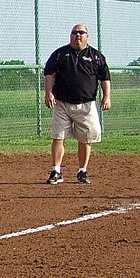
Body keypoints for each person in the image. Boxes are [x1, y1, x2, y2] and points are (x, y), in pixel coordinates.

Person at [42, 24, 112, 184]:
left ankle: (82, 171)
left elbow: (105, 78)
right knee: (58, 137)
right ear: (70, 35)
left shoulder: (96, 56)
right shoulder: (60, 54)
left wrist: (107, 96)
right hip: (62, 104)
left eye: (81, 33)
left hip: (86, 105)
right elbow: (49, 74)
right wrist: (49, 92)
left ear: (87, 36)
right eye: (74, 33)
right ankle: (56, 171)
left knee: (85, 138)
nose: (77, 35)